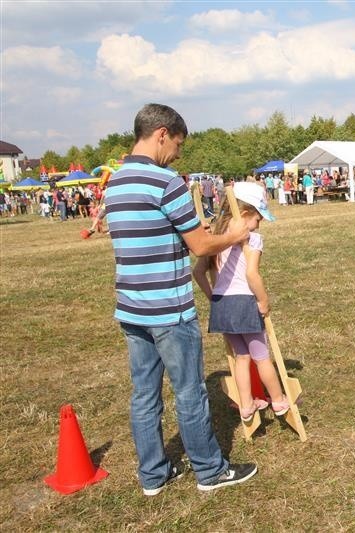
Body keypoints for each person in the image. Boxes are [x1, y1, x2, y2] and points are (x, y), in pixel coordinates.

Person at [104, 103, 256, 496]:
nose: (178, 153)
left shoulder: (116, 182)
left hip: (132, 307)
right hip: (169, 309)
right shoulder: (166, 181)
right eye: (178, 144)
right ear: (161, 134)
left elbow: (148, 233)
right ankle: (210, 470)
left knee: (144, 394)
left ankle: (152, 475)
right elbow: (202, 245)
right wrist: (235, 234)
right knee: (189, 391)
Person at [193, 181, 288, 422]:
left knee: (241, 358)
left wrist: (213, 298)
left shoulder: (216, 238)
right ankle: (278, 400)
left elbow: (198, 273)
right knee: (261, 356)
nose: (259, 224)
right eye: (258, 218)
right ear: (245, 215)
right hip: (244, 303)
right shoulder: (252, 240)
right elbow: (251, 275)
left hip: (223, 306)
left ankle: (246, 405)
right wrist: (264, 300)